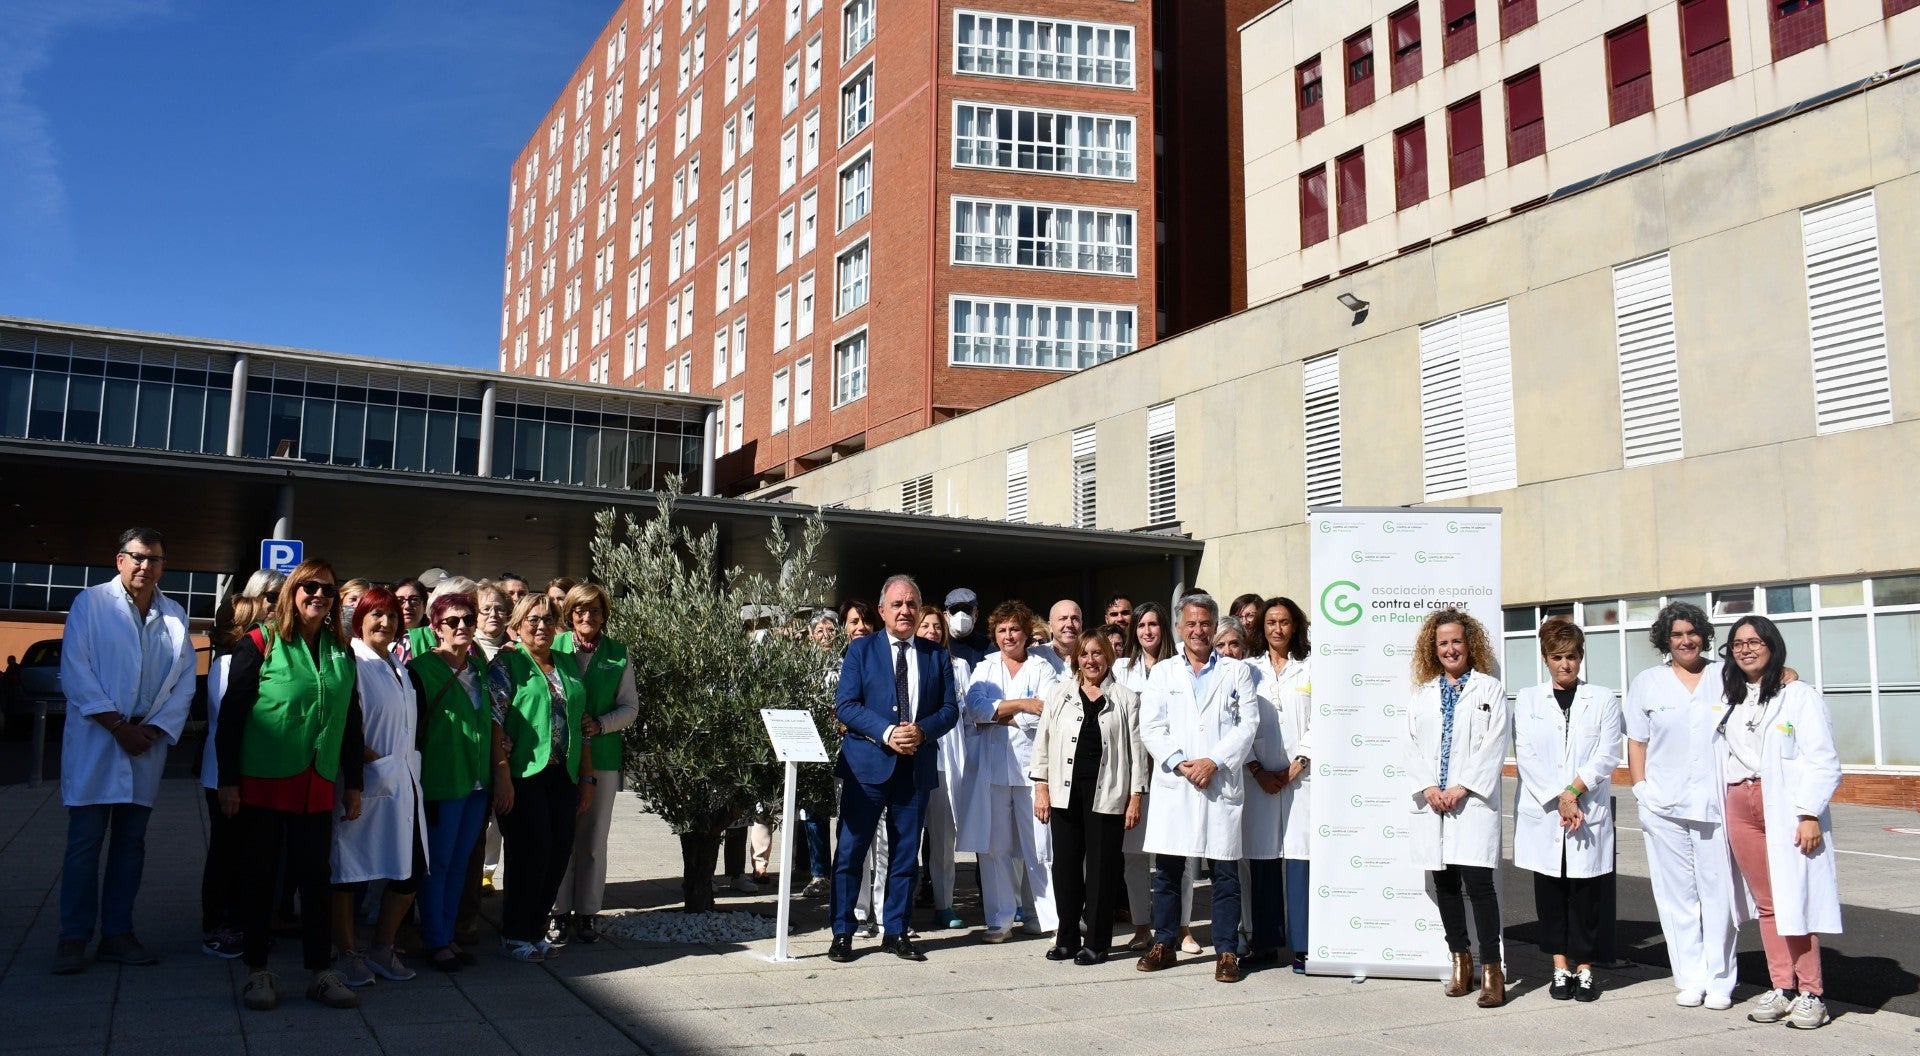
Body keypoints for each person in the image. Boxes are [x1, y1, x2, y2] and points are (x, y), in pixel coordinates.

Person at [216, 558, 366, 1011]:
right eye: (309, 588)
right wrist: (227, 782)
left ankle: (321, 971)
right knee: (260, 876)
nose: (319, 596)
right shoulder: (259, 644)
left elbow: (351, 722)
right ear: (291, 595)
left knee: (316, 878)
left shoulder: (342, 651)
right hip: (264, 781)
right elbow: (231, 717)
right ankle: (257, 971)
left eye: (327, 589)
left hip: (316, 783)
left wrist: (353, 783)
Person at [53, 528, 199, 975]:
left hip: (145, 743)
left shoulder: (174, 614)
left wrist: (154, 728)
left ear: (163, 566)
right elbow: (76, 671)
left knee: (130, 845)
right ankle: (73, 938)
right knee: (85, 844)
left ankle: (117, 932)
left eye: (154, 560)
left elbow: (184, 678)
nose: (145, 567)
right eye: (137, 558)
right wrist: (117, 725)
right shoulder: (90, 604)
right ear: (119, 560)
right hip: (101, 737)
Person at [827, 575, 960, 963]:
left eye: (912, 604)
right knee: (850, 853)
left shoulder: (936, 655)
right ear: (882, 610)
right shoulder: (861, 651)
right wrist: (887, 733)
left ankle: (897, 931)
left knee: (905, 856)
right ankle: (842, 931)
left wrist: (920, 731)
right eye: (897, 604)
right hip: (865, 766)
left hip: (915, 768)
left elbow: (950, 710)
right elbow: (846, 706)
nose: (905, 611)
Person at [1717, 616, 1842, 1030]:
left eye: (1755, 641)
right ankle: (1782, 986)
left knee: (1797, 898)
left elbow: (1823, 759)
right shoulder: (1731, 695)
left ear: (1772, 645)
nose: (1746, 649)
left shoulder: (1799, 695)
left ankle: (1812, 993)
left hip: (1786, 805)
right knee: (1768, 903)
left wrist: (1809, 812)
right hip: (1741, 801)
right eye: (1737, 643)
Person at [1136, 594, 1260, 983]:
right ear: (1179, 628)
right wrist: (1180, 762)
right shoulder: (1163, 674)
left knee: (1225, 871)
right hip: (1179, 782)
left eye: (1205, 623)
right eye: (1190, 623)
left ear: (1215, 625)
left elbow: (1247, 724)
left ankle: (1226, 951)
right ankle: (1165, 942)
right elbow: (1151, 726)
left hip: (1218, 781)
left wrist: (1214, 762)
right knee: (1169, 870)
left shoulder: (1236, 672)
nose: (1198, 630)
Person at [1625, 601, 1739, 1010]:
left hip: (1715, 804)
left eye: (1692, 633)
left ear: (1703, 635)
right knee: (1676, 897)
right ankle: (1689, 978)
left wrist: (1788, 672)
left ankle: (1721, 981)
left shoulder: (1727, 675)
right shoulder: (1648, 682)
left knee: (1718, 894)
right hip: (1662, 803)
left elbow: (1769, 686)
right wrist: (1640, 787)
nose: (1686, 640)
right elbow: (1636, 741)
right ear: (1665, 640)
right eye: (1677, 634)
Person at [1402, 607, 1509, 1007]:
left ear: (1470, 645)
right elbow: (1410, 745)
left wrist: (1462, 787)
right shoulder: (1423, 694)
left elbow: (1495, 743)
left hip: (1471, 803)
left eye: (1457, 641)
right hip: (1434, 804)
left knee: (1480, 887)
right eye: (1443, 642)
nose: (1450, 649)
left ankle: (1492, 972)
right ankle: (1460, 963)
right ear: (1435, 648)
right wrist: (1430, 787)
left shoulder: (1488, 689)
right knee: (1446, 884)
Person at [1512, 616, 1621, 1003]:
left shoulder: (1604, 699)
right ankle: (1560, 968)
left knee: (1587, 894)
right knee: (1552, 894)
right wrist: (1559, 798)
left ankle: (1585, 970)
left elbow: (1608, 754)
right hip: (1548, 812)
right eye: (1557, 657)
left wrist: (1573, 792)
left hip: (1584, 808)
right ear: (1545, 658)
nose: (1565, 664)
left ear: (1581, 657)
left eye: (1572, 656)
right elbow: (1526, 754)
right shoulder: (1528, 699)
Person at [330, 587, 427, 987]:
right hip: (366, 781)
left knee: (410, 871)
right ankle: (347, 953)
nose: (385, 623)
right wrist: (365, 758)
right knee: (351, 872)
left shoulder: (399, 666)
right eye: (376, 615)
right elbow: (341, 721)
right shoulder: (351, 660)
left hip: (402, 781)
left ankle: (382, 948)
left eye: (391, 616)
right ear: (359, 620)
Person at [1032, 632, 1146, 965]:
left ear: (1108, 657)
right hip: (1064, 791)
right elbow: (1043, 743)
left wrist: (1135, 795)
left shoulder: (1126, 698)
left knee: (1101, 870)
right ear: (1075, 659)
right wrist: (1041, 787)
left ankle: (1097, 942)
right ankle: (1066, 937)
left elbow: (1137, 753)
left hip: (1107, 792)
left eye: (1097, 653)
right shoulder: (1059, 694)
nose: (1090, 660)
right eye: (1084, 654)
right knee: (1065, 867)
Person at [490, 593, 592, 963]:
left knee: (558, 851)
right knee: (530, 853)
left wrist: (587, 777)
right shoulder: (508, 662)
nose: (541, 626)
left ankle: (535, 930)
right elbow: (494, 720)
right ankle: (515, 933)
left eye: (548, 619)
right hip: (522, 773)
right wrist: (502, 778)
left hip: (562, 773)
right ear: (516, 626)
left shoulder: (566, 662)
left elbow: (581, 722)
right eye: (532, 619)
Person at [957, 600, 1061, 944]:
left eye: (1014, 629)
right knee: (994, 848)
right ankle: (1000, 921)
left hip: (1032, 772)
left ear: (1026, 632)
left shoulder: (1043, 668)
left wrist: (999, 714)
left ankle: (1050, 920)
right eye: (1001, 631)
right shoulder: (984, 668)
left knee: (1039, 846)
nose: (1008, 636)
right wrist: (1019, 704)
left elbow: (1044, 714)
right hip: (993, 773)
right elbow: (975, 709)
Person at [409, 591, 494, 972]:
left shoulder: (479, 670)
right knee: (438, 863)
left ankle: (449, 933)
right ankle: (435, 939)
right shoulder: (420, 670)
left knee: (461, 863)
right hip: (441, 781)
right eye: (452, 621)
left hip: (477, 782)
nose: (462, 626)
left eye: (468, 620)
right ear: (435, 627)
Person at [552, 583, 641, 944]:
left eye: (594, 611)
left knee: (593, 839)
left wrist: (602, 723)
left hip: (602, 757)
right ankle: (557, 911)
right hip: (557, 755)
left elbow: (630, 707)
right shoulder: (552, 646)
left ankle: (587, 912)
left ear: (605, 615)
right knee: (560, 835)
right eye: (579, 610)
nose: (586, 617)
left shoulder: (618, 654)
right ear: (569, 613)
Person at [201, 592, 271, 960]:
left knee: (247, 852)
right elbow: (232, 720)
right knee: (226, 852)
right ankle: (216, 924)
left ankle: (243, 920)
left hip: (252, 773)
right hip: (226, 777)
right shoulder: (227, 664)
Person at [1247, 597, 1313, 973]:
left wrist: (1299, 762)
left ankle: (1303, 944)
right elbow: (1238, 723)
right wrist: (1257, 769)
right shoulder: (1247, 670)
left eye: (1285, 622)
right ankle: (1265, 943)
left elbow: (1323, 717)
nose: (1277, 629)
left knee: (1300, 856)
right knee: (1263, 857)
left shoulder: (1310, 668)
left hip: (1301, 778)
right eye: (1271, 622)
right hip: (1259, 779)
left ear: (1295, 626)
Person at [916, 605, 970, 930]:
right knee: (906, 839)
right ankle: (899, 908)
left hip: (946, 762)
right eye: (927, 626)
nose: (933, 631)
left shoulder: (959, 665)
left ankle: (944, 904)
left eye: (937, 626)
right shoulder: (906, 664)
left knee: (943, 839)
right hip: (916, 756)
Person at [945, 588, 990, 667]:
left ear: (975, 615)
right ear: (946, 616)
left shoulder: (989, 646)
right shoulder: (938, 646)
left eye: (967, 609)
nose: (961, 614)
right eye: (954, 610)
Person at [392, 578, 429, 662]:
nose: (407, 606)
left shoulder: (435, 639)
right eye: (400, 601)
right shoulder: (382, 641)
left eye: (414, 600)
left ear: (425, 607)